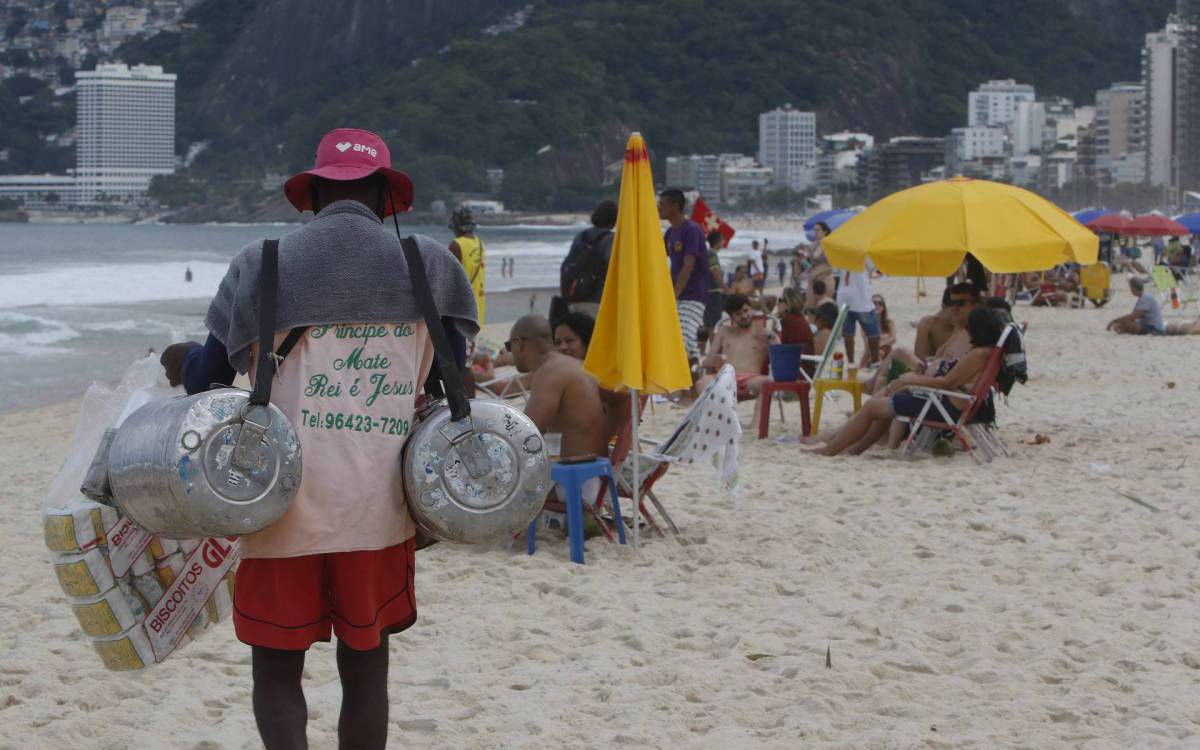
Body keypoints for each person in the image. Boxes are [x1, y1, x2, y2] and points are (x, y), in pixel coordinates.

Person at [160, 127, 477, 750]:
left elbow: (207, 378)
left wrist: (189, 360)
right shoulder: (429, 265)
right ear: (387, 196)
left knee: (277, 668)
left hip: (278, 505)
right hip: (378, 510)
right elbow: (453, 377)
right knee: (366, 671)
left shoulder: (264, 262)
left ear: (313, 195)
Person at [809, 307, 1005, 456]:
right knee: (881, 406)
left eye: (970, 327)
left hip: (945, 407)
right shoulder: (988, 353)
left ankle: (830, 450)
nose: (967, 331)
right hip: (954, 405)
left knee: (871, 408)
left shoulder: (978, 354)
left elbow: (947, 383)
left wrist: (910, 381)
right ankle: (852, 449)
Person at [509, 314, 609, 459]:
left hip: (576, 476)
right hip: (595, 470)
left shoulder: (550, 371)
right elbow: (623, 399)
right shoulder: (575, 366)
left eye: (509, 346)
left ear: (519, 343)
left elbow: (528, 432)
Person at [867, 283, 979, 394]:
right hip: (930, 370)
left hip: (935, 380)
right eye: (951, 304)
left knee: (890, 377)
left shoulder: (967, 334)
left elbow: (948, 375)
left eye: (960, 304)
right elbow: (922, 357)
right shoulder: (934, 324)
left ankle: (872, 390)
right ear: (944, 306)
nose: (954, 308)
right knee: (889, 371)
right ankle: (872, 387)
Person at [659, 188, 710, 372]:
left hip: (694, 293)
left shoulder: (692, 230)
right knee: (676, 335)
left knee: (684, 333)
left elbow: (689, 265)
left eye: (663, 204)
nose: (659, 208)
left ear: (675, 206)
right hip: (678, 294)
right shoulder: (670, 233)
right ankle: (688, 376)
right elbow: (657, 260)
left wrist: (674, 293)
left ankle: (695, 376)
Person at [697, 293, 777, 399]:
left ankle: (758, 416)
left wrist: (772, 337)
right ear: (732, 317)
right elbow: (706, 362)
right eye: (738, 314)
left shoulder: (763, 333)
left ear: (751, 309)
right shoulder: (724, 331)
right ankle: (722, 413)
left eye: (746, 311)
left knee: (769, 383)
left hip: (751, 380)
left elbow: (780, 359)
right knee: (701, 383)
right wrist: (710, 362)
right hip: (724, 379)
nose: (744, 316)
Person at [560, 200, 617, 317]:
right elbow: (612, 270)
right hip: (597, 299)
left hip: (573, 297)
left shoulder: (581, 236)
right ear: (613, 220)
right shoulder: (611, 240)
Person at [836, 260, 881, 365]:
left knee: (848, 333)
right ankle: (875, 362)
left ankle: (851, 362)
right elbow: (875, 268)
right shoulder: (863, 252)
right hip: (861, 297)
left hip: (844, 296)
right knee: (873, 333)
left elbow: (835, 273)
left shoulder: (840, 253)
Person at [449, 206, 486, 324]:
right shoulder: (480, 243)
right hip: (478, 305)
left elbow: (450, 280)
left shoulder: (456, 245)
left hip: (462, 308)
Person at [913, 287, 957, 360]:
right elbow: (919, 357)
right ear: (943, 306)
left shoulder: (965, 325)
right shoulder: (928, 323)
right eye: (954, 311)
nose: (957, 316)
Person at [704, 230, 729, 332]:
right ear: (718, 241)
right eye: (722, 239)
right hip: (713, 293)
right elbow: (716, 274)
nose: (724, 241)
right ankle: (715, 347)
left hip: (707, 293)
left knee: (709, 325)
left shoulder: (708, 253)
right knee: (714, 326)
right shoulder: (712, 254)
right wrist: (726, 290)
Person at [867, 294, 896, 366]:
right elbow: (867, 345)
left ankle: (881, 364)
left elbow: (893, 339)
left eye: (880, 304)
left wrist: (879, 344)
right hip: (871, 354)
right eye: (874, 303)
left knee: (885, 338)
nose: (877, 306)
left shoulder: (889, 322)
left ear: (883, 307)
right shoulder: (866, 324)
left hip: (886, 353)